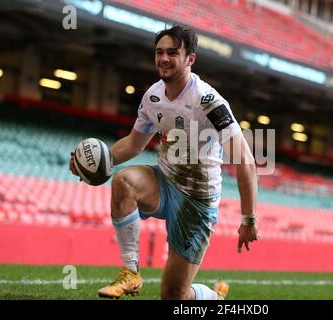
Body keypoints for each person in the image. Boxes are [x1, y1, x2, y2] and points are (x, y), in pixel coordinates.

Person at [69, 25, 259, 300]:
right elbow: (134, 144)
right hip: (164, 181)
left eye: (172, 52)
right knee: (124, 181)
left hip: (197, 200)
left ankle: (214, 298)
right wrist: (93, 162)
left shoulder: (209, 102)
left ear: (190, 59)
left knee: (173, 296)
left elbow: (245, 161)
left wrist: (249, 218)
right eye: (159, 52)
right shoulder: (153, 96)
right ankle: (131, 273)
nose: (164, 59)